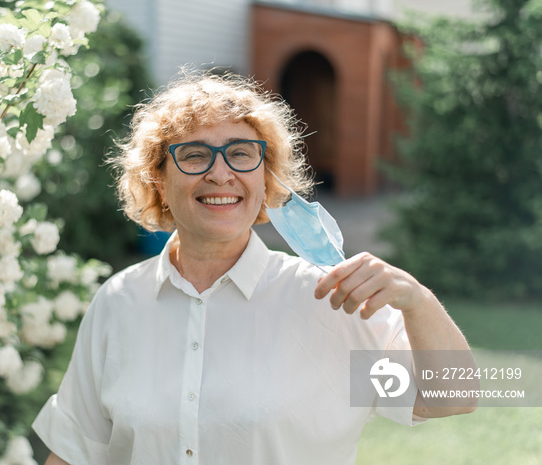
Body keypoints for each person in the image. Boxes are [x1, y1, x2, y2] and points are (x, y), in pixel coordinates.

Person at [33, 71, 475, 465]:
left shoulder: (328, 300)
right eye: (193, 155)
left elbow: (452, 397)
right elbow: (75, 452)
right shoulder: (119, 301)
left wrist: (416, 300)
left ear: (266, 179)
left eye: (241, 154)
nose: (221, 174)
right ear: (158, 181)